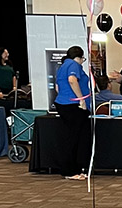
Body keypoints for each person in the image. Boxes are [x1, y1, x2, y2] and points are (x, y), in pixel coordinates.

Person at [53, 45, 91, 181]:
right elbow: (72, 80)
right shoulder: (74, 65)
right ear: (78, 57)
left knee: (74, 137)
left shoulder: (62, 66)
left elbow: (58, 87)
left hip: (64, 103)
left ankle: (75, 168)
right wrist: (81, 99)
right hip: (72, 105)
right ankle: (70, 170)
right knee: (73, 138)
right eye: (83, 59)